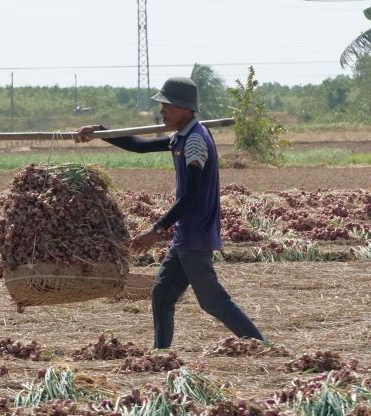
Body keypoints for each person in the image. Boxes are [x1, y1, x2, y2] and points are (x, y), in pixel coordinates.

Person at [75, 77, 265, 350]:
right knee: (162, 294)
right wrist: (101, 131)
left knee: (212, 301)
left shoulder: (195, 142)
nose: (162, 112)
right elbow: (139, 146)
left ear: (186, 109)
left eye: (168, 107)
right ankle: (160, 354)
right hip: (186, 234)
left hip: (196, 234)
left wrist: (156, 230)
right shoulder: (183, 136)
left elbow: (191, 196)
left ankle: (263, 345)